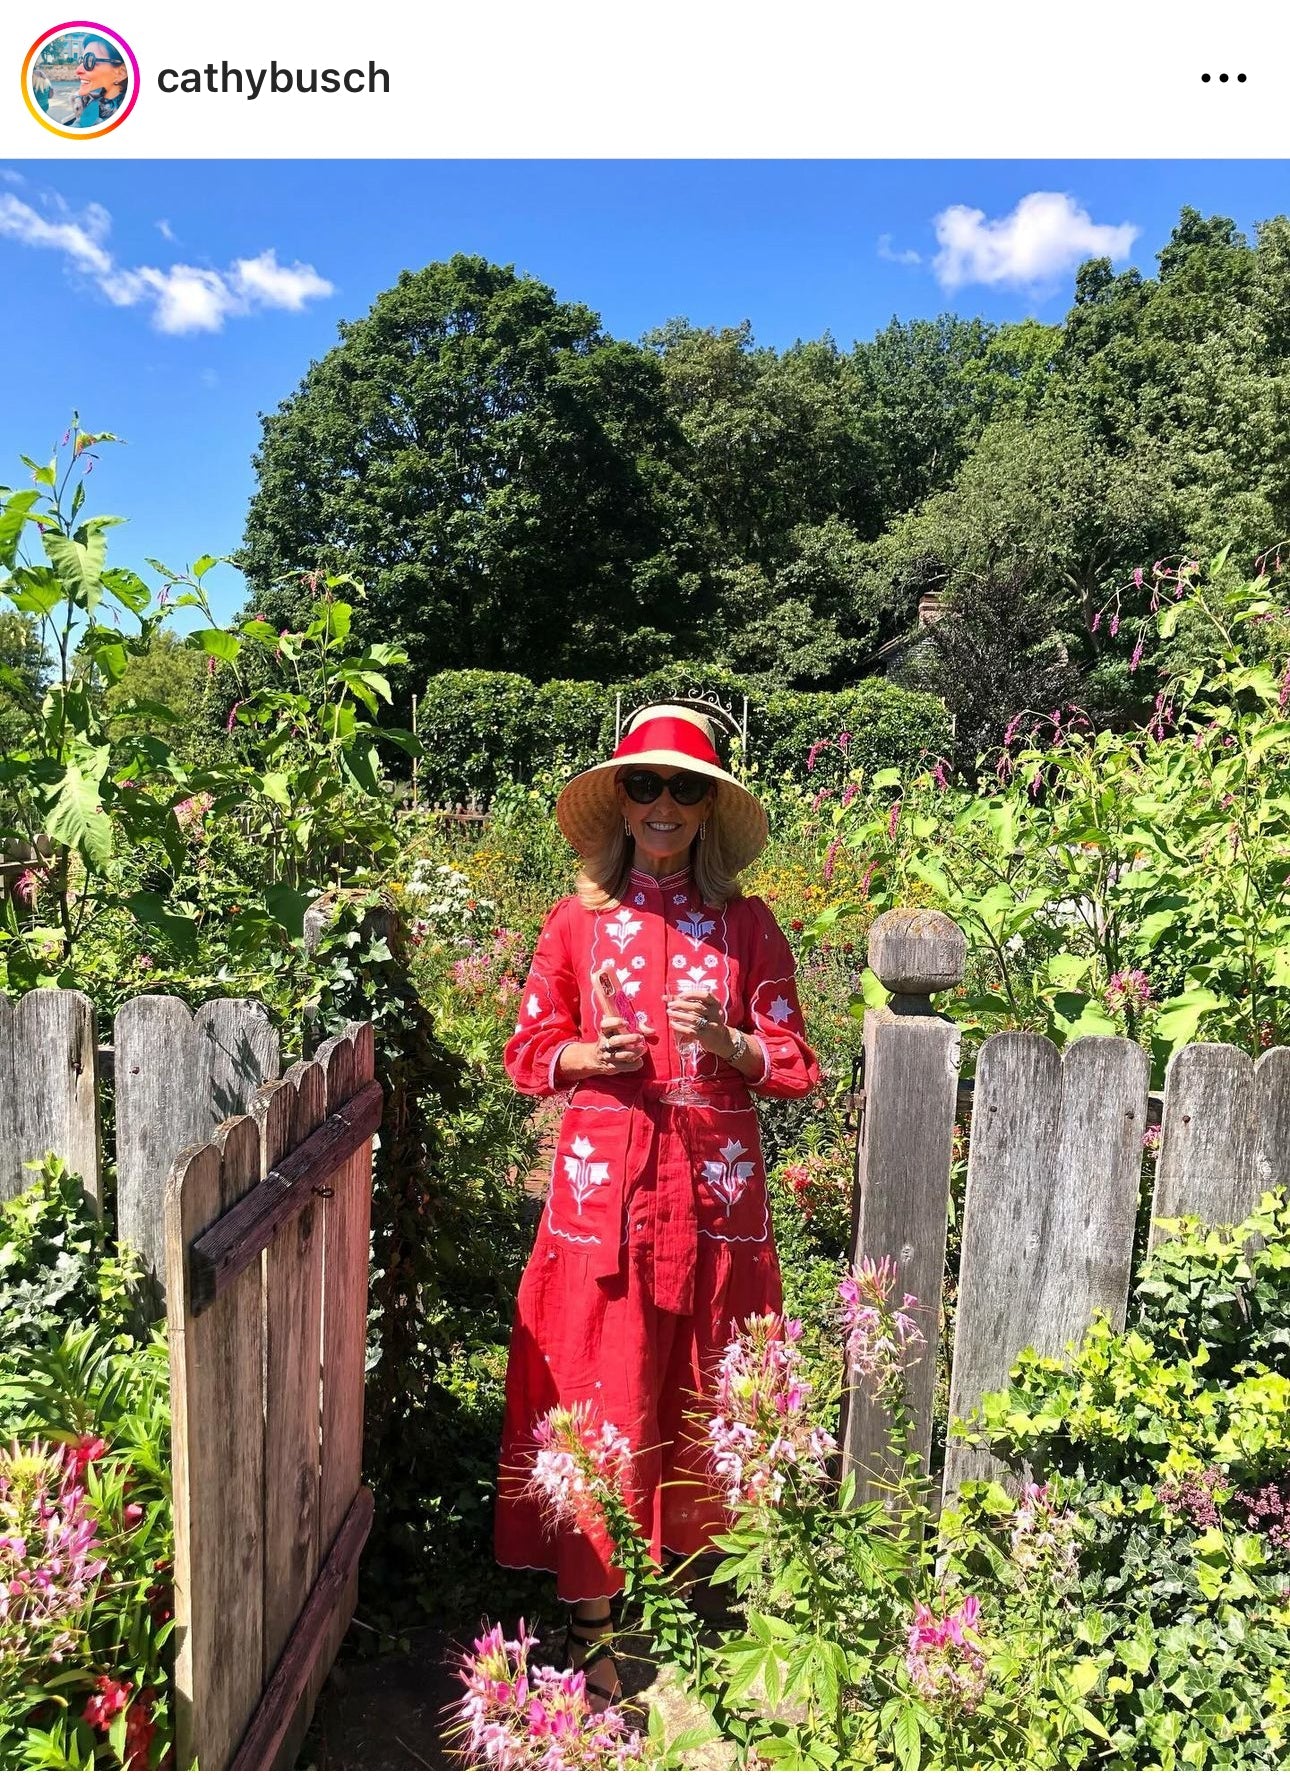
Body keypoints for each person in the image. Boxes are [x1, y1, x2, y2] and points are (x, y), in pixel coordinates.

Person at [494, 702, 819, 1707]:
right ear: (620, 804)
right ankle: (595, 1626)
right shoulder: (576, 922)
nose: (665, 805)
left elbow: (797, 1063)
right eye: (646, 785)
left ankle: (722, 1593)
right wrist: (589, 1054)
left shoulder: (748, 925)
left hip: (719, 1196)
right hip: (610, 1198)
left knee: (716, 1383)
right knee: (607, 1381)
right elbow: (525, 1050)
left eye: (686, 787)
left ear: (711, 807)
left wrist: (728, 1046)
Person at [73, 38, 128, 128]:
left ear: (121, 73)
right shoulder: (89, 104)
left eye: (89, 61)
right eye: (81, 60)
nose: (78, 70)